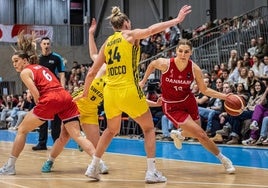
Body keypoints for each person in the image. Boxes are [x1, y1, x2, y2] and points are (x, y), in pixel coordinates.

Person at [76, 5, 192, 183]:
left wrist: (85, 94)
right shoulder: (128, 35)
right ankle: (151, 172)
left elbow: (91, 73)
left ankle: (93, 166)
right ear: (126, 23)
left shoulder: (107, 43)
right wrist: (176, 21)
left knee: (110, 130)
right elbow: (152, 29)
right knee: (148, 128)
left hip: (110, 94)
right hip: (128, 89)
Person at [0, 32, 96, 175]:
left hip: (50, 99)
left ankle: (10, 166)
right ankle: (98, 163)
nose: (14, 64)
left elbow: (36, 93)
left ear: (25, 61)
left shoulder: (25, 72)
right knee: (77, 135)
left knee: (21, 130)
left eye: (16, 61)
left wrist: (41, 108)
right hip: (65, 97)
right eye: (13, 62)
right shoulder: (42, 68)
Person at [139, 39, 235, 174]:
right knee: (201, 134)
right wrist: (143, 81)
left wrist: (225, 97)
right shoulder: (165, 64)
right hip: (172, 106)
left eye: (186, 52)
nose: (183, 54)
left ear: (191, 53)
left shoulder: (194, 68)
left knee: (195, 132)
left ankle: (179, 134)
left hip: (188, 100)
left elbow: (205, 90)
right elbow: (152, 64)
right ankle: (224, 160)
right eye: (180, 51)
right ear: (176, 51)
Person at [41, 18, 108, 174]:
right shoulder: (104, 67)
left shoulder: (119, 78)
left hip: (91, 110)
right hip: (77, 103)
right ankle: (50, 161)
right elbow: (93, 53)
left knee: (97, 144)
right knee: (64, 137)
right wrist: (91, 34)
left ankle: (91, 152)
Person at [32, 37, 66, 150]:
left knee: (56, 118)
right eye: (44, 43)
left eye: (48, 43)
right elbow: (32, 76)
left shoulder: (57, 58)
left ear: (50, 45)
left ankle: (57, 142)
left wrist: (62, 89)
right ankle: (42, 143)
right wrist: (30, 91)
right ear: (40, 45)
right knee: (42, 117)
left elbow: (62, 74)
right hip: (41, 92)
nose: (46, 45)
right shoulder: (37, 59)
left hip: (55, 91)